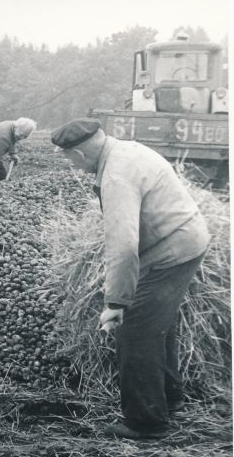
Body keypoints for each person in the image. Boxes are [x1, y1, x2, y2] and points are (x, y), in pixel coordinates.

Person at [51, 118, 209, 440]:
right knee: (158, 323)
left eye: (70, 160)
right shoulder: (124, 150)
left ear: (80, 155)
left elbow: (123, 246)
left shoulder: (116, 176)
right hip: (183, 238)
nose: (74, 167)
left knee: (136, 330)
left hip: (173, 247)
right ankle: (170, 398)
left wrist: (116, 302)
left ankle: (147, 422)